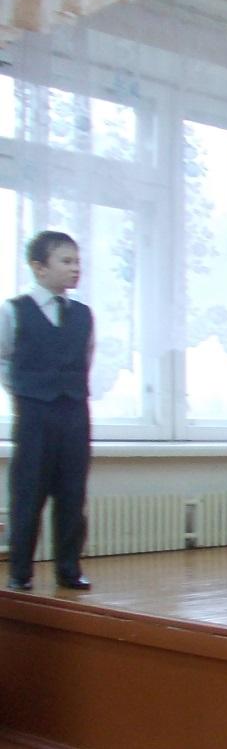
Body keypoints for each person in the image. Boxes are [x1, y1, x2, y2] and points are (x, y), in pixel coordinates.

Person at [2, 231, 94, 592]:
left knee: (72, 494)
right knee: (29, 493)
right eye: (66, 261)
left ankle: (69, 570)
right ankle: (20, 572)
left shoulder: (83, 315)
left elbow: (85, 357)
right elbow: (4, 357)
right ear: (39, 267)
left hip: (74, 414)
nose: (75, 268)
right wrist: (24, 391)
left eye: (77, 261)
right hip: (34, 415)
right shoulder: (14, 310)